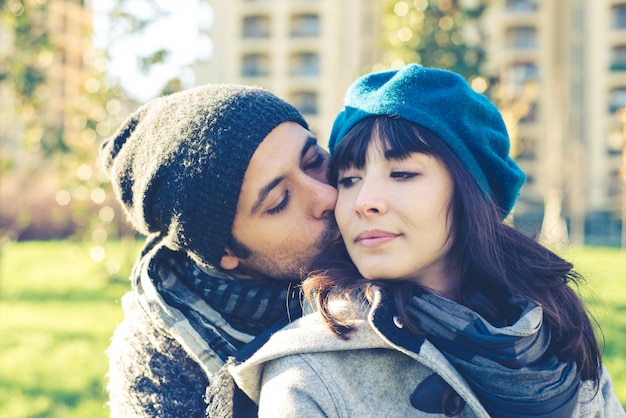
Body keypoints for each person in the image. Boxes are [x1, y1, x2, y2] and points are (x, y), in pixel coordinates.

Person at [226, 64, 626, 417]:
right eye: (348, 180)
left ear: (471, 192)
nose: (364, 202)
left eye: (402, 174)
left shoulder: (552, 330)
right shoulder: (307, 376)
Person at [99, 84, 338, 417]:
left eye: (313, 161)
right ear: (224, 252)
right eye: (279, 201)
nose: (327, 196)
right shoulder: (161, 365)